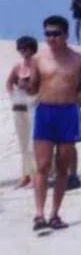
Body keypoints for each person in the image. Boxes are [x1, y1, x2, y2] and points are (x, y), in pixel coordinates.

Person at [29, 16, 81, 232]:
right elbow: (33, 88)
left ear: (65, 35)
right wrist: (26, 85)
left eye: (56, 34)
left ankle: (55, 213)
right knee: (42, 165)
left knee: (62, 166)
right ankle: (39, 214)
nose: (51, 38)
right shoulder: (38, 59)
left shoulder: (78, 59)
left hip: (68, 114)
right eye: (48, 34)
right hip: (45, 112)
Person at [7, 36, 40, 188]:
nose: (24, 52)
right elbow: (9, 82)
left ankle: (36, 175)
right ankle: (26, 175)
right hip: (19, 105)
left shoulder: (38, 65)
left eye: (27, 48)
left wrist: (30, 89)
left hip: (34, 104)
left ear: (33, 49)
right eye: (21, 49)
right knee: (23, 141)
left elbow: (40, 84)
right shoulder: (18, 67)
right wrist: (13, 94)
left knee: (33, 141)